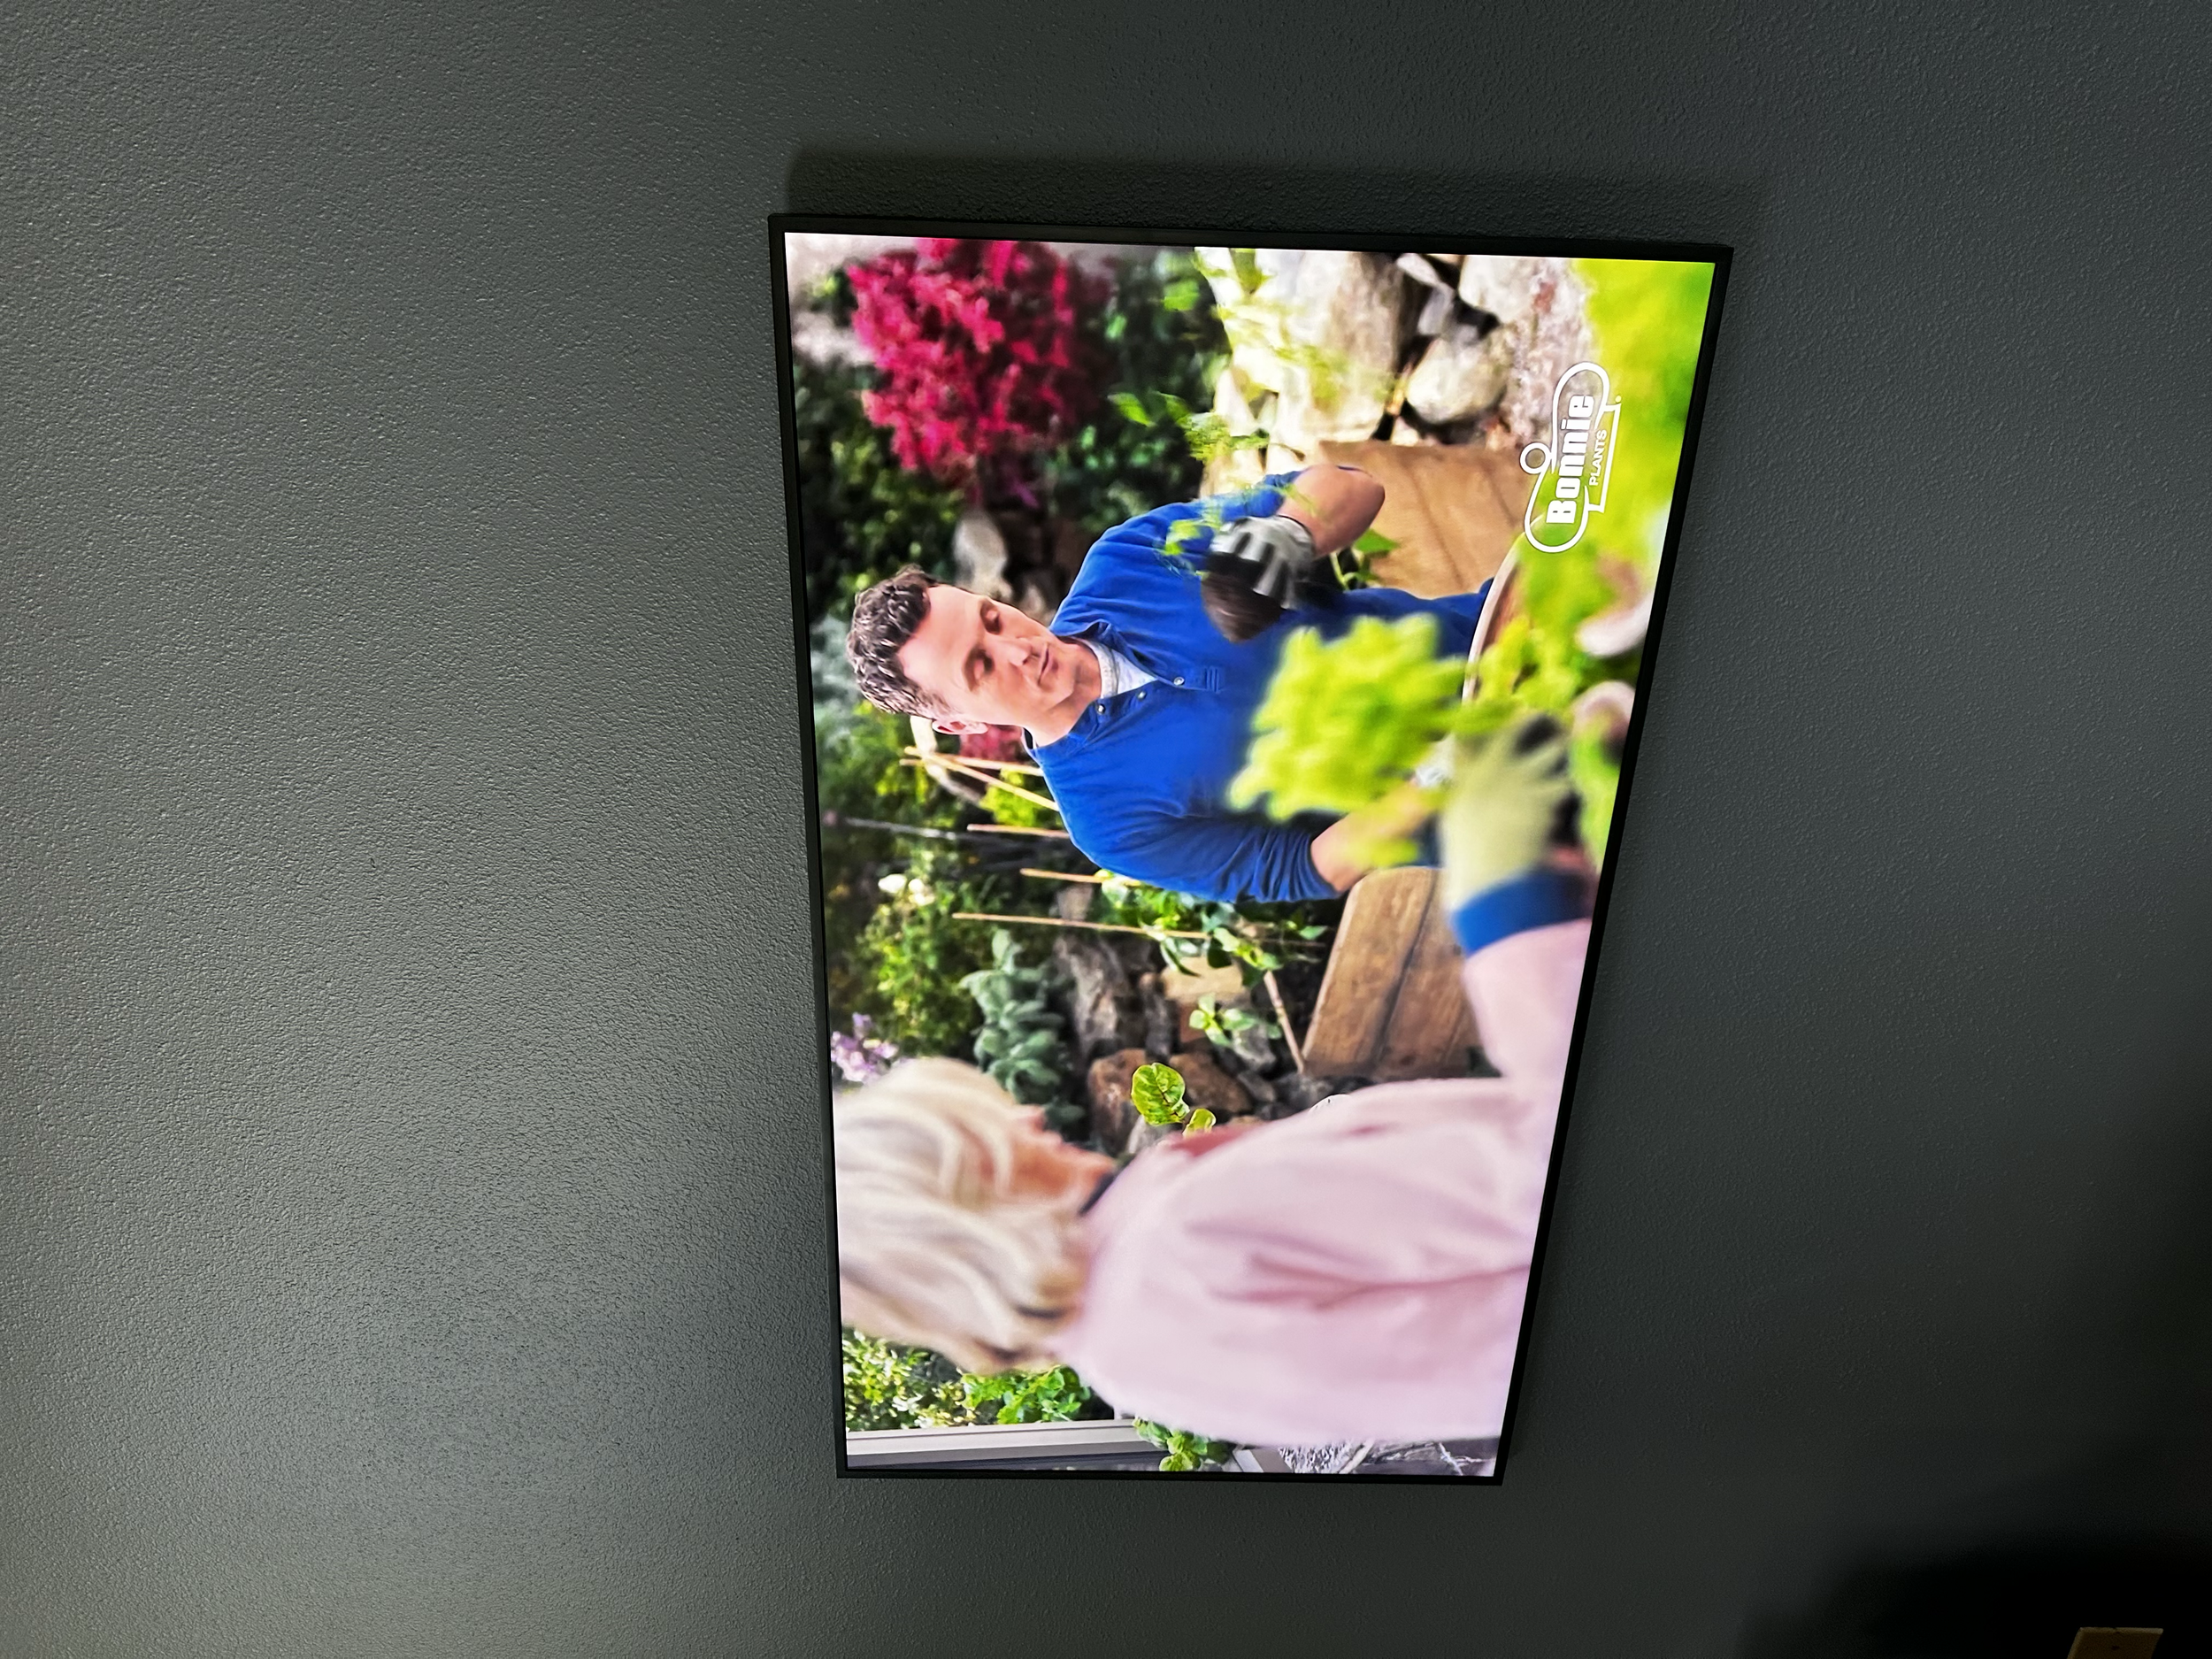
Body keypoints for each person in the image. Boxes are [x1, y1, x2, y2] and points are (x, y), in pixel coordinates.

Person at [833, 713, 1594, 1449]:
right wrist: (1509, 903)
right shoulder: (1184, 1237)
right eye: (991, 1139)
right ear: (974, 1211)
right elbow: (1546, 1173)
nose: (1030, 1119)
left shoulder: (1131, 1361)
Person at [841, 465, 1490, 904]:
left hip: (1500, 636)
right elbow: (1302, 869)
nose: (1017, 647)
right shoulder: (1107, 820)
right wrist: (1431, 782)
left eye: (991, 617)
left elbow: (1352, 486)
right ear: (959, 723)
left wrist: (1287, 534)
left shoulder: (1126, 561)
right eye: (980, 666)